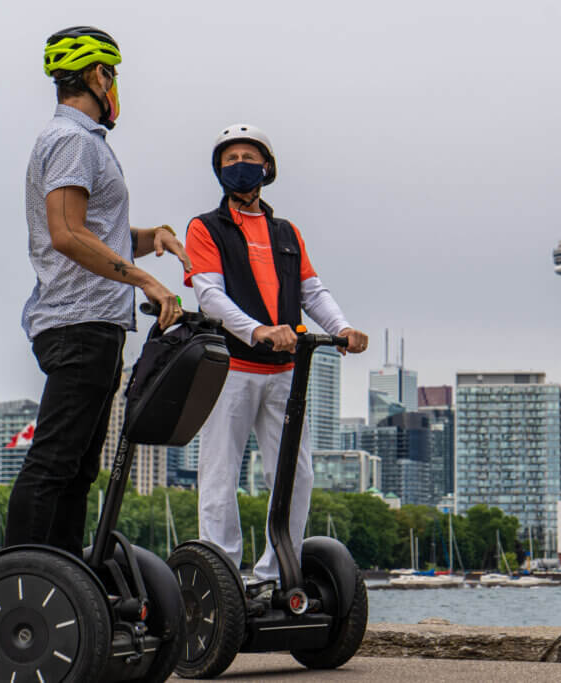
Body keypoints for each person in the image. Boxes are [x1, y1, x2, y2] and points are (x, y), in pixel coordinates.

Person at [6, 26, 191, 557]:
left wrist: (147, 238)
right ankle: (15, 585)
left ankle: (60, 580)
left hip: (96, 325)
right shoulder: (71, 140)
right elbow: (66, 233)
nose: (115, 89)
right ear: (96, 76)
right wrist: (146, 281)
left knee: (78, 469)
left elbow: (95, 232)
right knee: (54, 462)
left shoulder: (84, 143)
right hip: (77, 323)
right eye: (112, 76)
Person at [184, 123, 368, 603]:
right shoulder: (205, 227)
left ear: (267, 168)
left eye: (248, 155)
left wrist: (343, 328)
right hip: (232, 370)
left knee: (295, 474)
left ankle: (271, 573)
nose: (238, 164)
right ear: (218, 170)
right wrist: (257, 330)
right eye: (229, 158)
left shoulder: (286, 232)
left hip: (285, 374)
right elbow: (209, 295)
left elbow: (312, 291)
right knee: (220, 473)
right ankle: (221, 576)